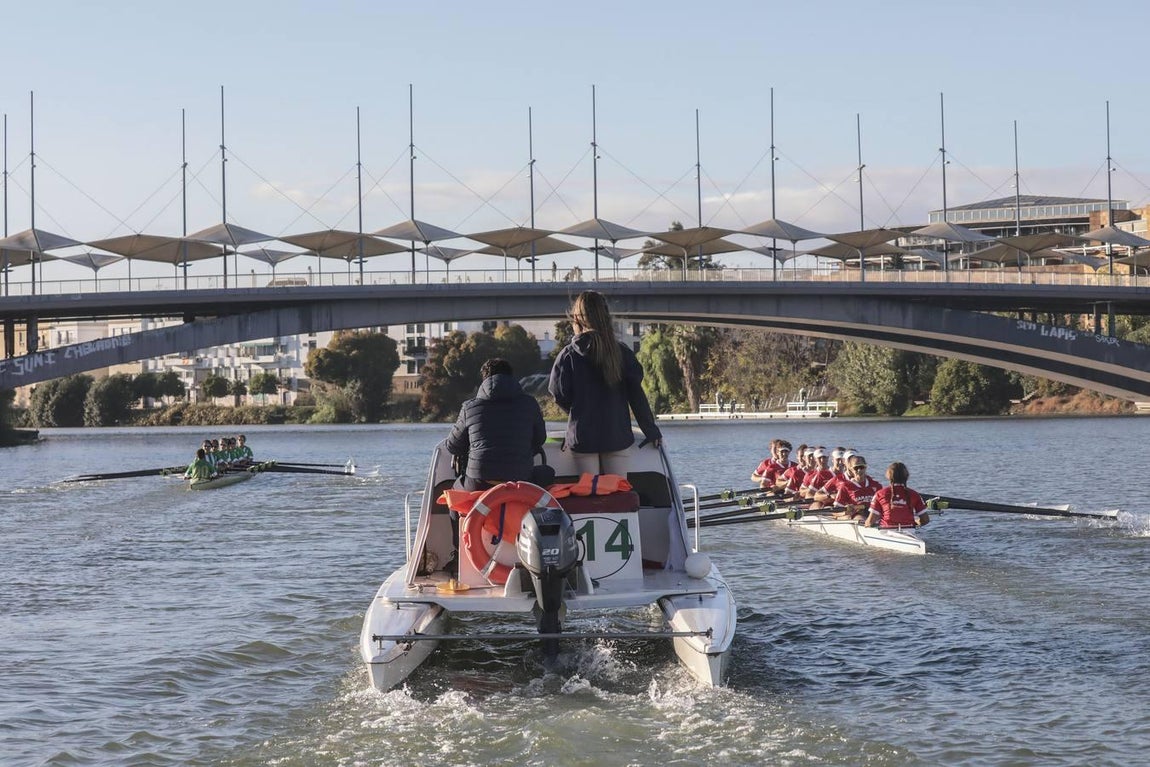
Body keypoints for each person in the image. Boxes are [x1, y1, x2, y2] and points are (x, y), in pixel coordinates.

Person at [549, 290, 662, 475]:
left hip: (583, 437)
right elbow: (636, 396)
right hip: (616, 435)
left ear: (577, 318)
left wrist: (578, 412)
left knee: (591, 492)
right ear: (605, 316)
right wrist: (651, 430)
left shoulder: (568, 355)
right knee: (616, 490)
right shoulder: (622, 353)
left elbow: (558, 394)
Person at [446, 358, 547, 492]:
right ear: (511, 377)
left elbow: (452, 446)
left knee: (455, 489)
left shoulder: (469, 407)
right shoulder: (530, 404)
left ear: (484, 380)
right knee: (547, 473)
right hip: (521, 481)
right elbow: (540, 439)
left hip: (479, 483)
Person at [864, 461, 930, 529]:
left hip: (886, 531)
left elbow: (870, 522)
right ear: (907, 476)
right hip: (910, 531)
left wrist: (865, 524)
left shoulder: (880, 494)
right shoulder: (915, 494)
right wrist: (915, 522)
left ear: (888, 476)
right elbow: (925, 520)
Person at [831, 454, 883, 520]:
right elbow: (835, 511)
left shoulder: (877, 485)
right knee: (860, 518)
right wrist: (845, 512)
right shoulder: (846, 486)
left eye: (861, 467)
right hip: (858, 516)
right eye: (856, 468)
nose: (859, 470)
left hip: (874, 515)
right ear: (851, 469)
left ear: (866, 467)